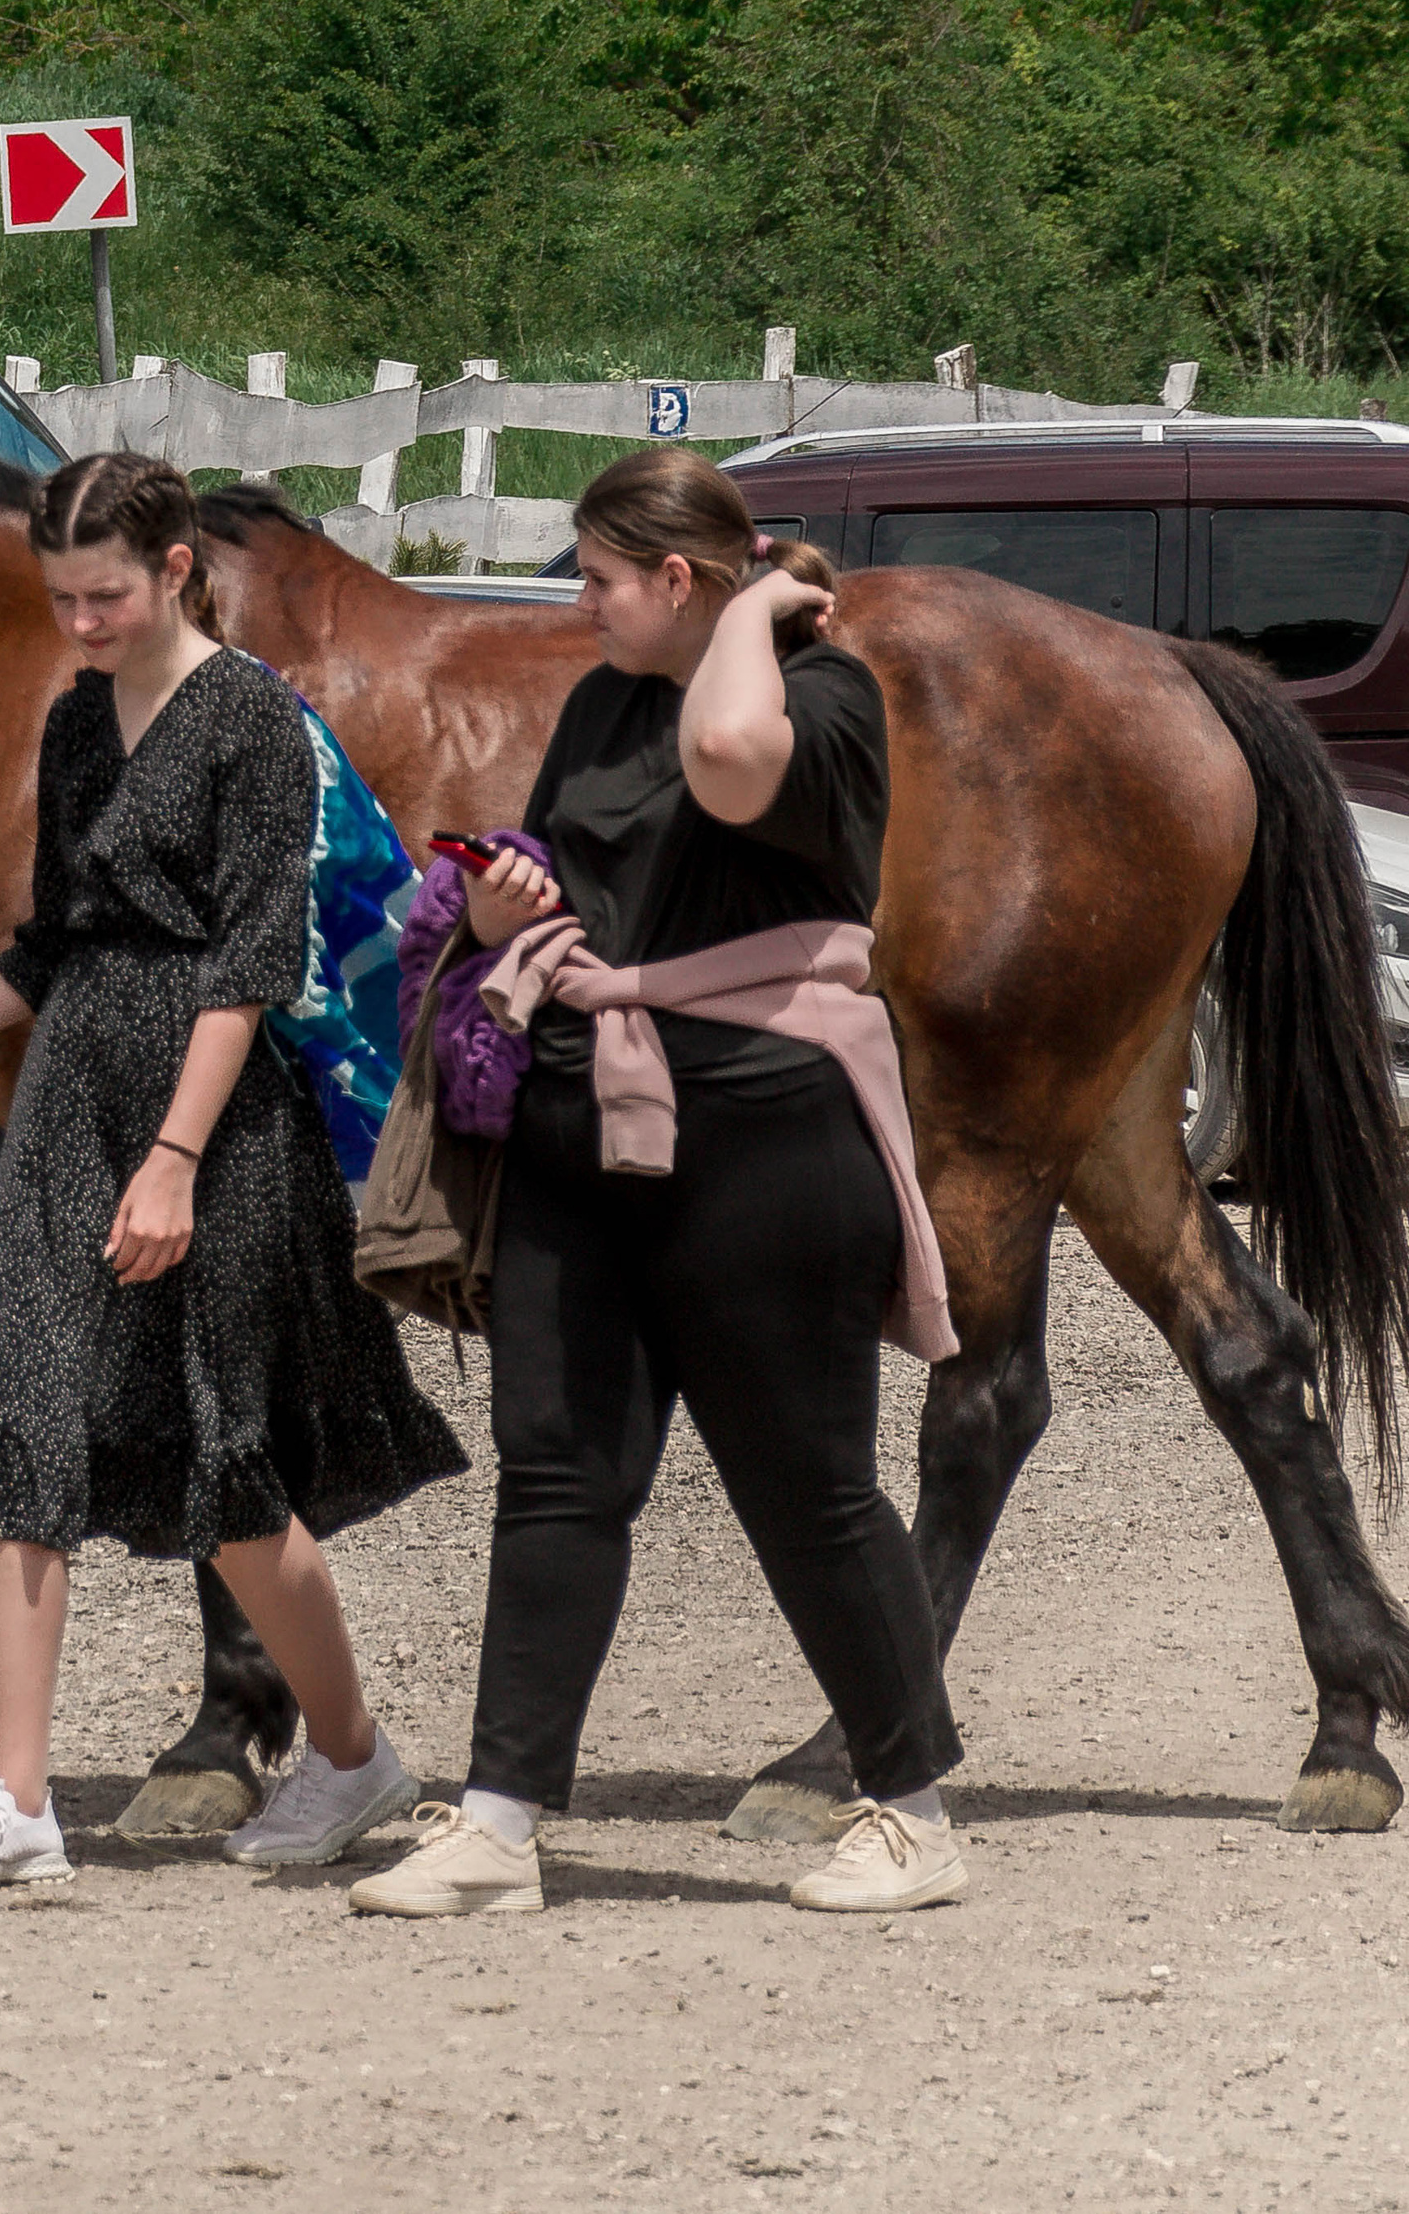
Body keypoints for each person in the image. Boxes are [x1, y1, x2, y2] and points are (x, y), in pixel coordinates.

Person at [0, 451, 466, 1893]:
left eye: (103, 595)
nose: (79, 623)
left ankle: (352, 1753)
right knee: (21, 1425)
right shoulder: (80, 719)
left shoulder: (260, 726)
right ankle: (17, 1803)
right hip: (72, 1097)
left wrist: (170, 1163)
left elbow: (250, 961)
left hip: (211, 1123)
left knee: (227, 1463)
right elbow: (45, 951)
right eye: (59, 598)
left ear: (174, 572)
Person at [349, 447, 968, 1922]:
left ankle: (918, 1810)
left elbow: (733, 763)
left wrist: (763, 611)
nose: (582, 598)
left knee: (810, 1490)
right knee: (557, 1472)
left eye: (604, 576)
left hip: (767, 1135)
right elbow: (572, 865)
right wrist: (511, 900)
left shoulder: (819, 694)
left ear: (683, 580)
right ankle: (500, 1818)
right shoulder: (605, 698)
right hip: (584, 1113)